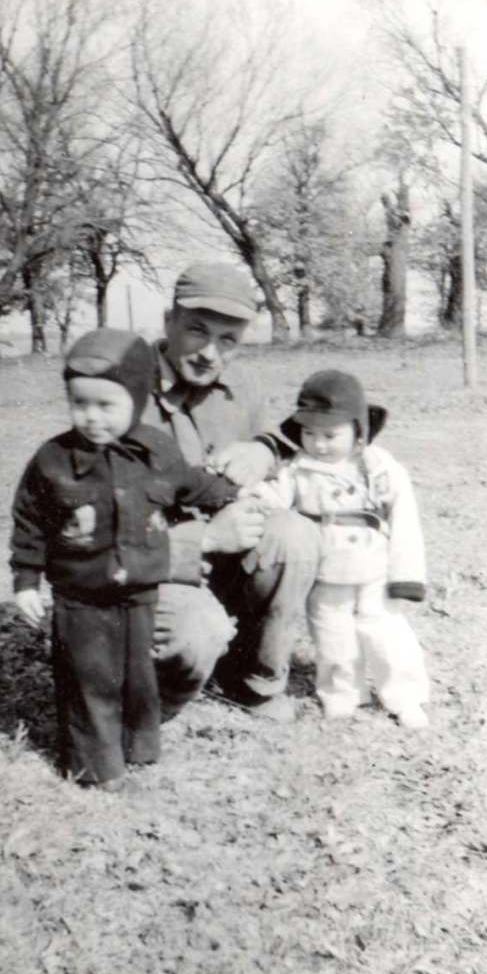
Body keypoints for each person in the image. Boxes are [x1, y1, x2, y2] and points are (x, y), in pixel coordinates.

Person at [10, 329, 239, 790]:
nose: (91, 417)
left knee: (137, 677)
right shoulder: (52, 461)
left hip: (139, 591)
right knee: (89, 678)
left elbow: (190, 484)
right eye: (80, 403)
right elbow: (29, 522)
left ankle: (137, 745)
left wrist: (231, 492)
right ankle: (94, 767)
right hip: (80, 595)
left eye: (106, 405)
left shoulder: (156, 450)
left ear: (135, 400)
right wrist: (26, 581)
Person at [139, 261, 321, 721]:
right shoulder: (122, 393)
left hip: (223, 562)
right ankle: (145, 698)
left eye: (228, 340)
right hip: (153, 571)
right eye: (197, 331)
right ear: (168, 322)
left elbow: (277, 440)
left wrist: (263, 450)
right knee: (196, 629)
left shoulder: (241, 385)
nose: (210, 353)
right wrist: (205, 539)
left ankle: (251, 680)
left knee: (295, 536)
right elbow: (102, 535)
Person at [242, 369, 430, 729]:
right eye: (309, 433)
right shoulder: (297, 469)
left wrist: (406, 576)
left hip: (373, 565)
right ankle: (342, 694)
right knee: (332, 635)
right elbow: (274, 498)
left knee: (386, 631)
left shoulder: (378, 467)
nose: (319, 444)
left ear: (359, 431)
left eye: (331, 435)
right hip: (326, 569)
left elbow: (405, 519)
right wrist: (255, 495)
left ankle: (404, 696)